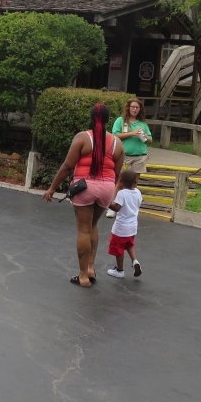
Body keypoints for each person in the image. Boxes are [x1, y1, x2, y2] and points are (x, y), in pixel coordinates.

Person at [43, 103, 125, 288]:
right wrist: (112, 194)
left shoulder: (83, 138)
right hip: (106, 188)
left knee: (83, 230)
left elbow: (67, 166)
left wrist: (52, 188)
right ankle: (90, 268)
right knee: (93, 226)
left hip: (85, 187)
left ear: (90, 118)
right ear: (107, 119)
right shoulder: (117, 143)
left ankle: (82, 277)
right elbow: (118, 173)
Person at [107, 97, 152, 218]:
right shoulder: (121, 121)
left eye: (137, 107)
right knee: (120, 182)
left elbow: (150, 140)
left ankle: (129, 208)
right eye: (133, 107)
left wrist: (145, 137)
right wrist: (132, 133)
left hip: (140, 156)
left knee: (134, 183)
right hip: (125, 156)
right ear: (128, 108)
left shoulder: (142, 124)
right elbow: (115, 135)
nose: (135, 109)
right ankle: (112, 206)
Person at [106, 169, 143, 279]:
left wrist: (107, 202)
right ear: (135, 182)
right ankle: (135, 261)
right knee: (129, 245)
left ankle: (120, 270)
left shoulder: (122, 193)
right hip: (132, 226)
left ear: (120, 181)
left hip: (121, 228)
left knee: (118, 248)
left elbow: (117, 208)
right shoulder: (138, 192)